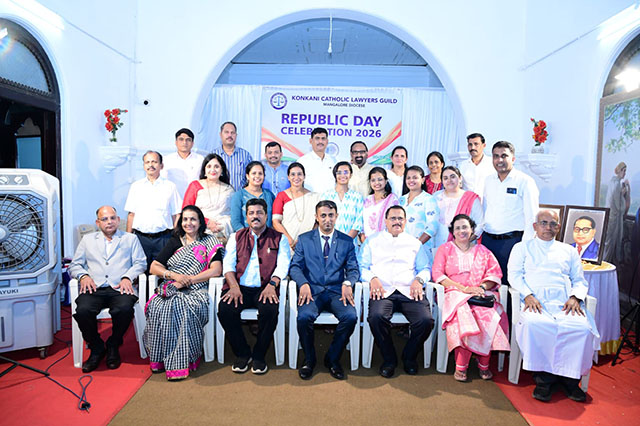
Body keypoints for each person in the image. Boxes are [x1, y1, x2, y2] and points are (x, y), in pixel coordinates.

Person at [508, 209, 600, 402]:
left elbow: (579, 280)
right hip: (535, 302)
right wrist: (528, 295)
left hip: (564, 302)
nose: (548, 227)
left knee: (581, 329)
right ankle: (544, 381)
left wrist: (575, 297)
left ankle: (570, 381)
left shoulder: (568, 250)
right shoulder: (522, 248)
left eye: (553, 224)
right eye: (544, 223)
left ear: (558, 227)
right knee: (536, 325)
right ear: (535, 226)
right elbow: (514, 276)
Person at [144, 205, 224, 380]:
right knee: (157, 305)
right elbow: (154, 267)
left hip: (198, 290)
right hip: (172, 286)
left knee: (180, 306)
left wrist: (189, 280)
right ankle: (159, 359)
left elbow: (216, 270)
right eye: (185, 219)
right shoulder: (175, 241)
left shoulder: (210, 241)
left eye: (193, 219)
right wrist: (175, 276)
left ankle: (182, 361)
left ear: (200, 222)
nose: (189, 223)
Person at [432, 214, 509, 382]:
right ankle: (461, 365)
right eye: (458, 228)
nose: (462, 231)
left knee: (486, 315)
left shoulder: (483, 251)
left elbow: (494, 274)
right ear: (452, 232)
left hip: (479, 293)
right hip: (454, 292)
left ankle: (484, 364)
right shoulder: (445, 249)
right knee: (464, 315)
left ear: (472, 230)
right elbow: (437, 274)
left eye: (465, 227)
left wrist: (481, 288)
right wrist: (463, 289)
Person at [218, 199, 291, 374]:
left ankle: (259, 355)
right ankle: (243, 353)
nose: (255, 216)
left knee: (270, 310)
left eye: (259, 213)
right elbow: (228, 265)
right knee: (225, 310)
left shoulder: (279, 238)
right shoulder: (236, 237)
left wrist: (272, 284)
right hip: (239, 287)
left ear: (266, 216)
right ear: (246, 217)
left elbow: (283, 265)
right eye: (251, 213)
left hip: (265, 287)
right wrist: (233, 286)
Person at [70, 206, 147, 373]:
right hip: (94, 288)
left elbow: (140, 263)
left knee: (124, 309)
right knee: (83, 311)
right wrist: (83, 276)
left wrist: (127, 277)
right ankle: (97, 347)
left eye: (112, 218)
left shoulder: (130, 239)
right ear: (98, 223)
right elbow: (74, 265)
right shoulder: (88, 240)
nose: (109, 222)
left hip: (120, 287)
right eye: (104, 219)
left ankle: (113, 344)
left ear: (118, 220)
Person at [289, 200, 360, 380]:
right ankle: (309, 359)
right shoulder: (305, 239)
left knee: (350, 317)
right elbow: (295, 267)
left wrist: (348, 283)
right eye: (323, 216)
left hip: (337, 291)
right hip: (312, 291)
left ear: (336, 216)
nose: (327, 219)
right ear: (316, 217)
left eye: (331, 215)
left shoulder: (346, 241)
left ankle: (333, 358)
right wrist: (303, 283)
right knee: (304, 317)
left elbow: (353, 269)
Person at [360, 205, 434, 378]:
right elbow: (361, 266)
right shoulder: (372, 241)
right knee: (376, 317)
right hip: (383, 290)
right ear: (385, 221)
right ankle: (389, 359)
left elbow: (425, 268)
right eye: (393, 218)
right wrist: (372, 278)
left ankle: (409, 357)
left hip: (409, 290)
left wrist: (419, 280)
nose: (397, 222)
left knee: (426, 321)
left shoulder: (415, 243)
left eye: (400, 218)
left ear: (405, 221)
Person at [482, 141, 539, 285]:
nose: (499, 160)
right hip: (488, 241)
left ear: (513, 158)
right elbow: (485, 209)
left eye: (504, 156)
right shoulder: (488, 180)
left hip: (512, 243)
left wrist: (524, 247)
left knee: (511, 285)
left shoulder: (525, 181)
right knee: (489, 283)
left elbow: (532, 217)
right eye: (496, 156)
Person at [125, 150, 182, 272]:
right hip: (140, 239)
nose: (151, 165)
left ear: (161, 165)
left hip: (164, 238)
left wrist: (175, 237)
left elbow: (176, 214)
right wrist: (128, 239)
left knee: (162, 273)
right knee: (140, 273)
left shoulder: (170, 186)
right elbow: (131, 215)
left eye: (154, 162)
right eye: (147, 162)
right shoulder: (136, 186)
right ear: (143, 165)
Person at [182, 153, 235, 242]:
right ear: (204, 170)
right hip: (199, 230)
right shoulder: (195, 185)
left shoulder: (229, 190)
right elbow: (186, 210)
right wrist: (207, 222)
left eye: (216, 167)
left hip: (224, 231)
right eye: (209, 166)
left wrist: (220, 226)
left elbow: (233, 213)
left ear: (222, 170)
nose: (212, 170)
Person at [433, 166, 484, 249]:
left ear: (460, 178)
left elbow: (480, 224)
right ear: (442, 181)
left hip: (463, 247)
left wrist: (465, 241)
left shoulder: (471, 198)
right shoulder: (435, 197)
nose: (449, 180)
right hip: (438, 244)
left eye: (452, 177)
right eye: (445, 178)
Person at [272, 162, 319, 249]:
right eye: (293, 174)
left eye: (299, 174)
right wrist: (290, 241)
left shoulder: (313, 197)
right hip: (287, 244)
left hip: (308, 243)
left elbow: (317, 221)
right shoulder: (281, 196)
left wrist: (307, 240)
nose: (296, 177)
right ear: (288, 177)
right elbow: (276, 222)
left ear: (304, 176)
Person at [321, 161, 364, 242]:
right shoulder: (326, 196)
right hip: (329, 242)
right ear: (335, 175)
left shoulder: (357, 197)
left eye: (346, 172)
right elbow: (322, 220)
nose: (343, 175)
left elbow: (358, 223)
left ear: (351, 174)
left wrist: (345, 242)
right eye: (339, 173)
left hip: (350, 243)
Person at [399, 166, 439, 252]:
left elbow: (432, 227)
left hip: (421, 249)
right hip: (401, 248)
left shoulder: (429, 199)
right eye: (408, 178)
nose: (411, 180)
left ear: (423, 180)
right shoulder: (401, 200)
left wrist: (416, 246)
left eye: (415, 178)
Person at [230, 161, 275, 231]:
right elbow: (235, 222)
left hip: (268, 235)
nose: (257, 176)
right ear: (247, 176)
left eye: (260, 173)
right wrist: (247, 235)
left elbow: (274, 219)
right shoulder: (238, 195)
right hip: (245, 235)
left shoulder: (269, 195)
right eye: (254, 173)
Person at [161, 128, 204, 200]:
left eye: (188, 140)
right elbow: (163, 181)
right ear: (176, 142)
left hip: (195, 199)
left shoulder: (200, 159)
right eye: (181, 139)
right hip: (173, 199)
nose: (184, 143)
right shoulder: (167, 160)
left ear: (192, 143)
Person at [212, 121, 253, 190]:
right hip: (218, 195)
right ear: (220, 134)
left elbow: (251, 179)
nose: (229, 135)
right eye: (226, 132)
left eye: (232, 133)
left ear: (236, 135)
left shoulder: (246, 156)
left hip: (240, 195)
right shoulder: (213, 155)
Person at [361, 167, 399, 241]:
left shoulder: (392, 199)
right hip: (367, 241)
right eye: (373, 180)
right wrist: (362, 236)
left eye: (380, 179)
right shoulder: (367, 199)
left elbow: (396, 221)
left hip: (386, 241)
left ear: (386, 181)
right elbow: (362, 220)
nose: (376, 183)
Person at [604, 162, 631, 265]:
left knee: (612, 241)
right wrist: (623, 194)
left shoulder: (614, 183)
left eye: (625, 171)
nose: (625, 173)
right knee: (610, 242)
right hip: (613, 218)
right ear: (619, 171)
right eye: (624, 171)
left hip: (613, 217)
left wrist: (621, 194)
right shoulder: (616, 185)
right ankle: (607, 262)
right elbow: (619, 206)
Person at [296, 127, 336, 194]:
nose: (320, 142)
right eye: (317, 138)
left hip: (329, 199)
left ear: (327, 141)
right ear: (311, 141)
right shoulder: (302, 161)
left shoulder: (333, 161)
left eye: (323, 139)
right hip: (309, 198)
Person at [459, 133, 494, 199]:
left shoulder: (492, 163)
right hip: (468, 202)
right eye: (470, 144)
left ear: (484, 145)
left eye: (476, 144)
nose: (473, 147)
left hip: (488, 202)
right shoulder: (462, 165)